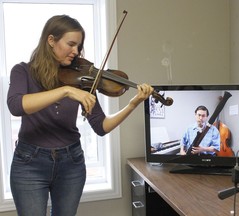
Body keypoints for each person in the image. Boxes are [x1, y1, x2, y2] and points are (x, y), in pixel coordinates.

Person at [6, 15, 154, 216]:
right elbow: (16, 106)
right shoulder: (22, 71)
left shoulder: (82, 78)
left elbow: (102, 126)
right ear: (51, 40)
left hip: (71, 163)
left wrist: (132, 104)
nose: (76, 51)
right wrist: (65, 91)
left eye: (79, 45)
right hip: (29, 163)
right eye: (71, 44)